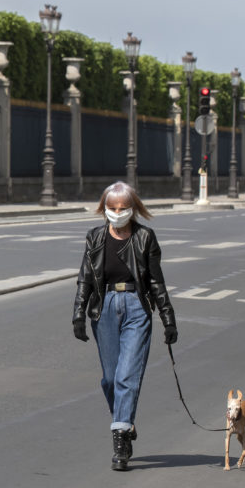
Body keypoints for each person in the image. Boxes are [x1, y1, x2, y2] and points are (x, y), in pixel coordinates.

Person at [72, 181, 177, 471]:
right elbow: (85, 278)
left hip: (136, 307)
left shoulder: (146, 237)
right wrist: (78, 313)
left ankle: (120, 437)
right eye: (112, 208)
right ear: (104, 208)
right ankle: (125, 421)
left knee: (127, 376)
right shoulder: (95, 237)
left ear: (133, 209)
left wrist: (168, 318)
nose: (117, 213)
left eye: (123, 208)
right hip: (103, 307)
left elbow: (156, 281)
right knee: (109, 379)